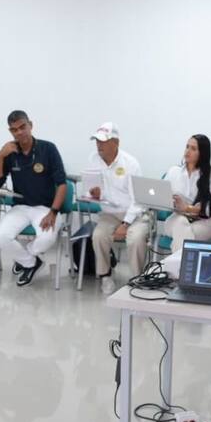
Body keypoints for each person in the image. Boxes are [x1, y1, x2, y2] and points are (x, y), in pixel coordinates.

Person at [0, 110, 67, 287]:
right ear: (11, 132)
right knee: (0, 236)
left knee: (47, 238)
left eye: (22, 127)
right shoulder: (9, 152)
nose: (19, 132)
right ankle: (31, 262)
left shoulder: (48, 148)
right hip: (20, 208)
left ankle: (25, 259)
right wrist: (1, 156)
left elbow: (62, 184)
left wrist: (53, 212)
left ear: (30, 125)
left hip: (45, 208)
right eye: (14, 129)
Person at [84, 122, 149, 294]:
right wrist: (93, 194)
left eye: (103, 141)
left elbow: (139, 200)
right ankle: (105, 276)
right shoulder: (93, 159)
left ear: (116, 142)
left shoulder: (131, 163)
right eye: (97, 141)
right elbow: (90, 189)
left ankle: (137, 279)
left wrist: (125, 224)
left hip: (134, 214)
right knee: (98, 236)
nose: (99, 145)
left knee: (136, 239)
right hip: (109, 213)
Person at [163, 133, 211, 253]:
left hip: (205, 221)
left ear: (203, 153)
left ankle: (175, 268)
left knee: (182, 234)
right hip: (177, 217)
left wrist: (187, 208)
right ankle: (184, 268)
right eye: (187, 147)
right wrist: (172, 203)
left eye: (193, 148)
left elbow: (210, 209)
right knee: (181, 225)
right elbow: (163, 196)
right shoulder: (174, 171)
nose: (188, 151)